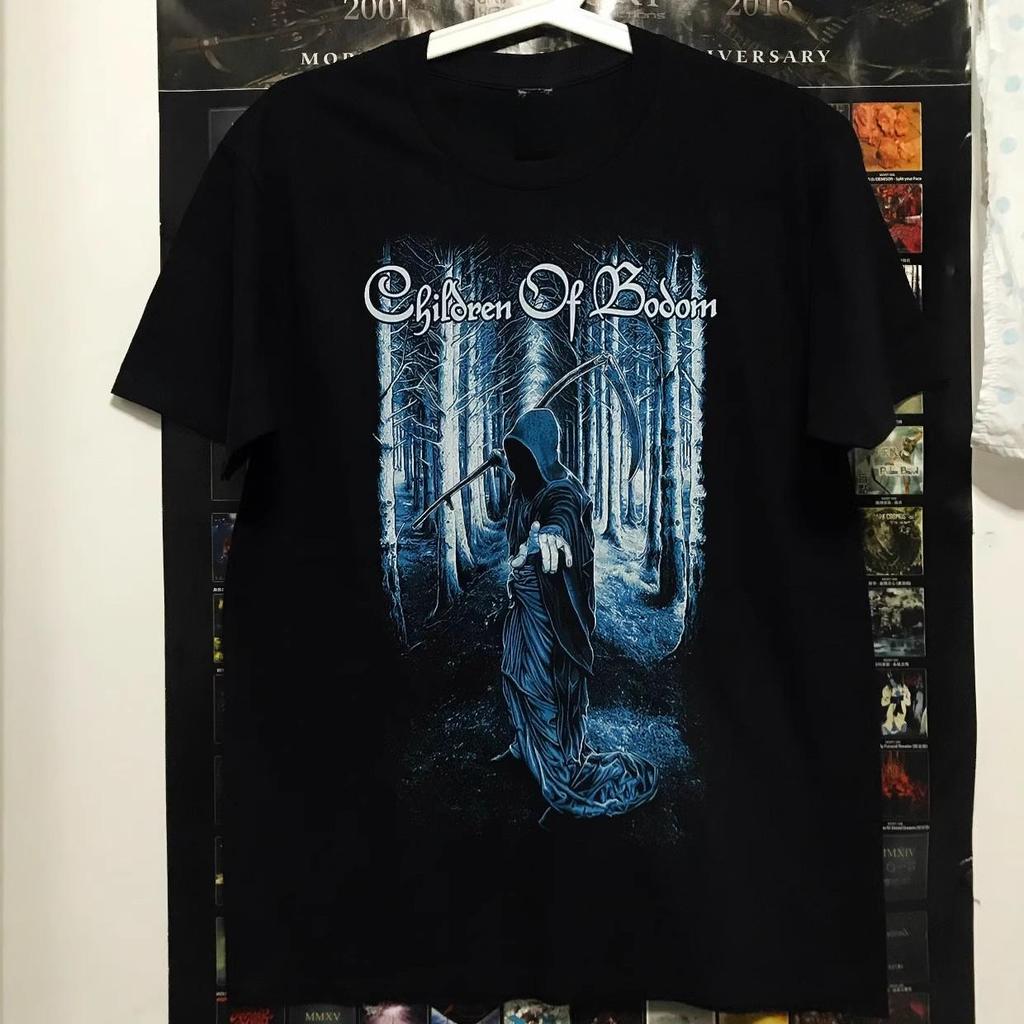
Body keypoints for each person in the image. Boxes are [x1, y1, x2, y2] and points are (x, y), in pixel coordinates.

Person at [494, 408, 659, 824]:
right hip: (525, 609)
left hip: (552, 616)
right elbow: (523, 489)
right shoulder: (524, 486)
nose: (519, 465)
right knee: (517, 676)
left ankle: (555, 768)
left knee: (544, 686)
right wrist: (503, 461)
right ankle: (526, 747)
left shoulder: (563, 492)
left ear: (542, 454)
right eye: (515, 456)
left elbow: (563, 512)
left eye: (524, 455)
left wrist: (552, 534)